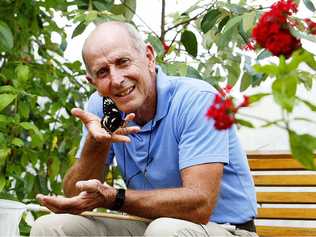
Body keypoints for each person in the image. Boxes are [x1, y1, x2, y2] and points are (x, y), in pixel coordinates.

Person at [30, 21, 258, 237]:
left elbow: (199, 205)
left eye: (123, 62)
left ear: (148, 57)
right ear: (93, 83)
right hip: (149, 224)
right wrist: (97, 141)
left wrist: (112, 198)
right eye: (102, 72)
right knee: (51, 227)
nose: (116, 79)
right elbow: (74, 195)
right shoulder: (102, 106)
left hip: (225, 229)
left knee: (164, 231)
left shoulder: (197, 99)